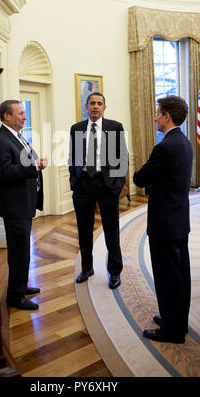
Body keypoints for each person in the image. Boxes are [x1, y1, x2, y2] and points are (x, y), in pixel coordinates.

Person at [133, 95, 193, 344]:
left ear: (167, 116)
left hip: (165, 224)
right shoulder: (184, 141)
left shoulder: (165, 147)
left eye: (158, 113)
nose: (155, 117)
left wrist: (139, 171)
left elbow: (140, 178)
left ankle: (172, 331)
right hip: (178, 220)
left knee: (168, 278)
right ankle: (176, 320)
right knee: (180, 276)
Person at [0, 100, 47, 310]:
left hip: (24, 202)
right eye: (21, 113)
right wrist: (33, 166)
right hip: (14, 206)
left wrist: (36, 163)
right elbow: (4, 173)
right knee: (18, 251)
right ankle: (15, 297)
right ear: (7, 116)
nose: (25, 117)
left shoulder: (16, 135)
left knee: (22, 250)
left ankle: (20, 286)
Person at [69, 92, 128, 289]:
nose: (95, 106)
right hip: (83, 185)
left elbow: (123, 158)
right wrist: (74, 180)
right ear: (86, 105)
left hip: (107, 185)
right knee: (83, 230)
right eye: (92, 103)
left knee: (112, 231)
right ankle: (87, 268)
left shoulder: (114, 127)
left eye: (99, 103)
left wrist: (118, 185)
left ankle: (114, 272)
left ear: (104, 107)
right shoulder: (76, 129)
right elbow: (72, 157)